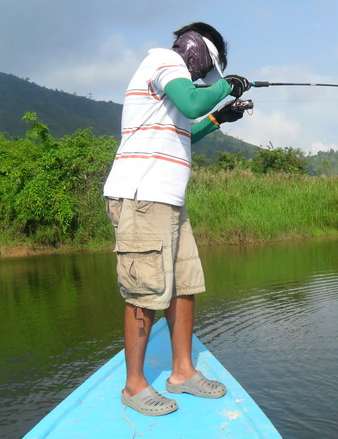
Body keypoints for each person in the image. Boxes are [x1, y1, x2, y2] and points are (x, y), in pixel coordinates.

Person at [103, 22, 251, 416]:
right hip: (141, 198)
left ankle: (182, 373)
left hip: (168, 200)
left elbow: (188, 128)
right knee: (144, 291)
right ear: (197, 50)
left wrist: (221, 117)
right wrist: (228, 87)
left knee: (184, 285)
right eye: (207, 70)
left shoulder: (174, 90)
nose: (204, 77)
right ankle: (134, 387)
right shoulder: (164, 59)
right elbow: (191, 103)